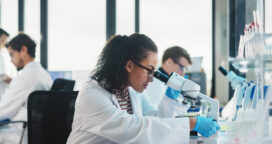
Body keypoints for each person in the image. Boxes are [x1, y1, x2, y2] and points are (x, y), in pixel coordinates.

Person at [67, 34, 219, 143]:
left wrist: (169, 101)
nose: (152, 78)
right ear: (129, 66)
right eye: (149, 70)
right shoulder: (92, 94)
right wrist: (190, 123)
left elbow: (154, 119)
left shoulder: (131, 91)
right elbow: (130, 129)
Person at [0, 33, 53, 144]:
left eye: (12, 55)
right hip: (37, 135)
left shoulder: (25, 77)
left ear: (23, 50)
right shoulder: (44, 75)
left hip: (22, 134)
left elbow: (6, 109)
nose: (11, 60)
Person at [144, 46, 193, 118]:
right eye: (182, 68)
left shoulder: (170, 84)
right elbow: (156, 117)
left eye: (185, 70)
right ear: (169, 62)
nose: (183, 74)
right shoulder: (154, 83)